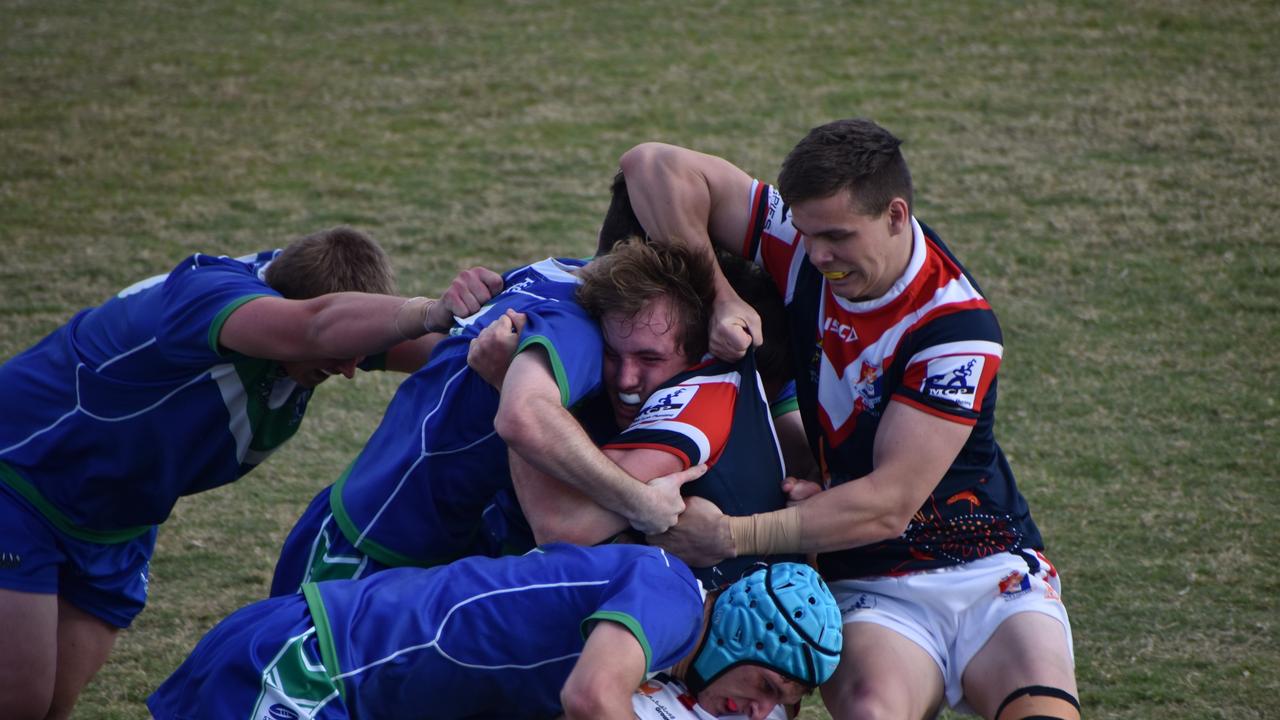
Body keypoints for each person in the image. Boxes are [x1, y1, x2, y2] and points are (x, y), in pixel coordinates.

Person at [620, 119, 1079, 720]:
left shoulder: (955, 332)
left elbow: (890, 502)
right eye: (807, 233)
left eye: (836, 236)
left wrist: (732, 535)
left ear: (895, 214)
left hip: (990, 570)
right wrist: (719, 294)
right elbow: (650, 164)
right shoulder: (810, 247)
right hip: (871, 581)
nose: (817, 256)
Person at [0, 226, 503, 720]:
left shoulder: (317, 311)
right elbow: (317, 326)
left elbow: (442, 352)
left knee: (50, 706)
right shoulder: (208, 297)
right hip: (23, 481)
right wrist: (429, 310)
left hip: (115, 521)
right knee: (20, 701)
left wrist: (527, 326)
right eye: (337, 360)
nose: (350, 369)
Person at [268, 236, 712, 596]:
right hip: (366, 547)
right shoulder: (578, 330)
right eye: (619, 356)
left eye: (650, 358)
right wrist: (641, 503)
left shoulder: (558, 269)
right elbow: (523, 417)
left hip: (411, 539)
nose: (629, 377)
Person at [149, 545, 843, 720]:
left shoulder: (666, 644)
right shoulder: (672, 600)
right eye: (765, 686)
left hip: (337, 669)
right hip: (312, 668)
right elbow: (590, 699)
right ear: (739, 639)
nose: (761, 710)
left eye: (782, 706)